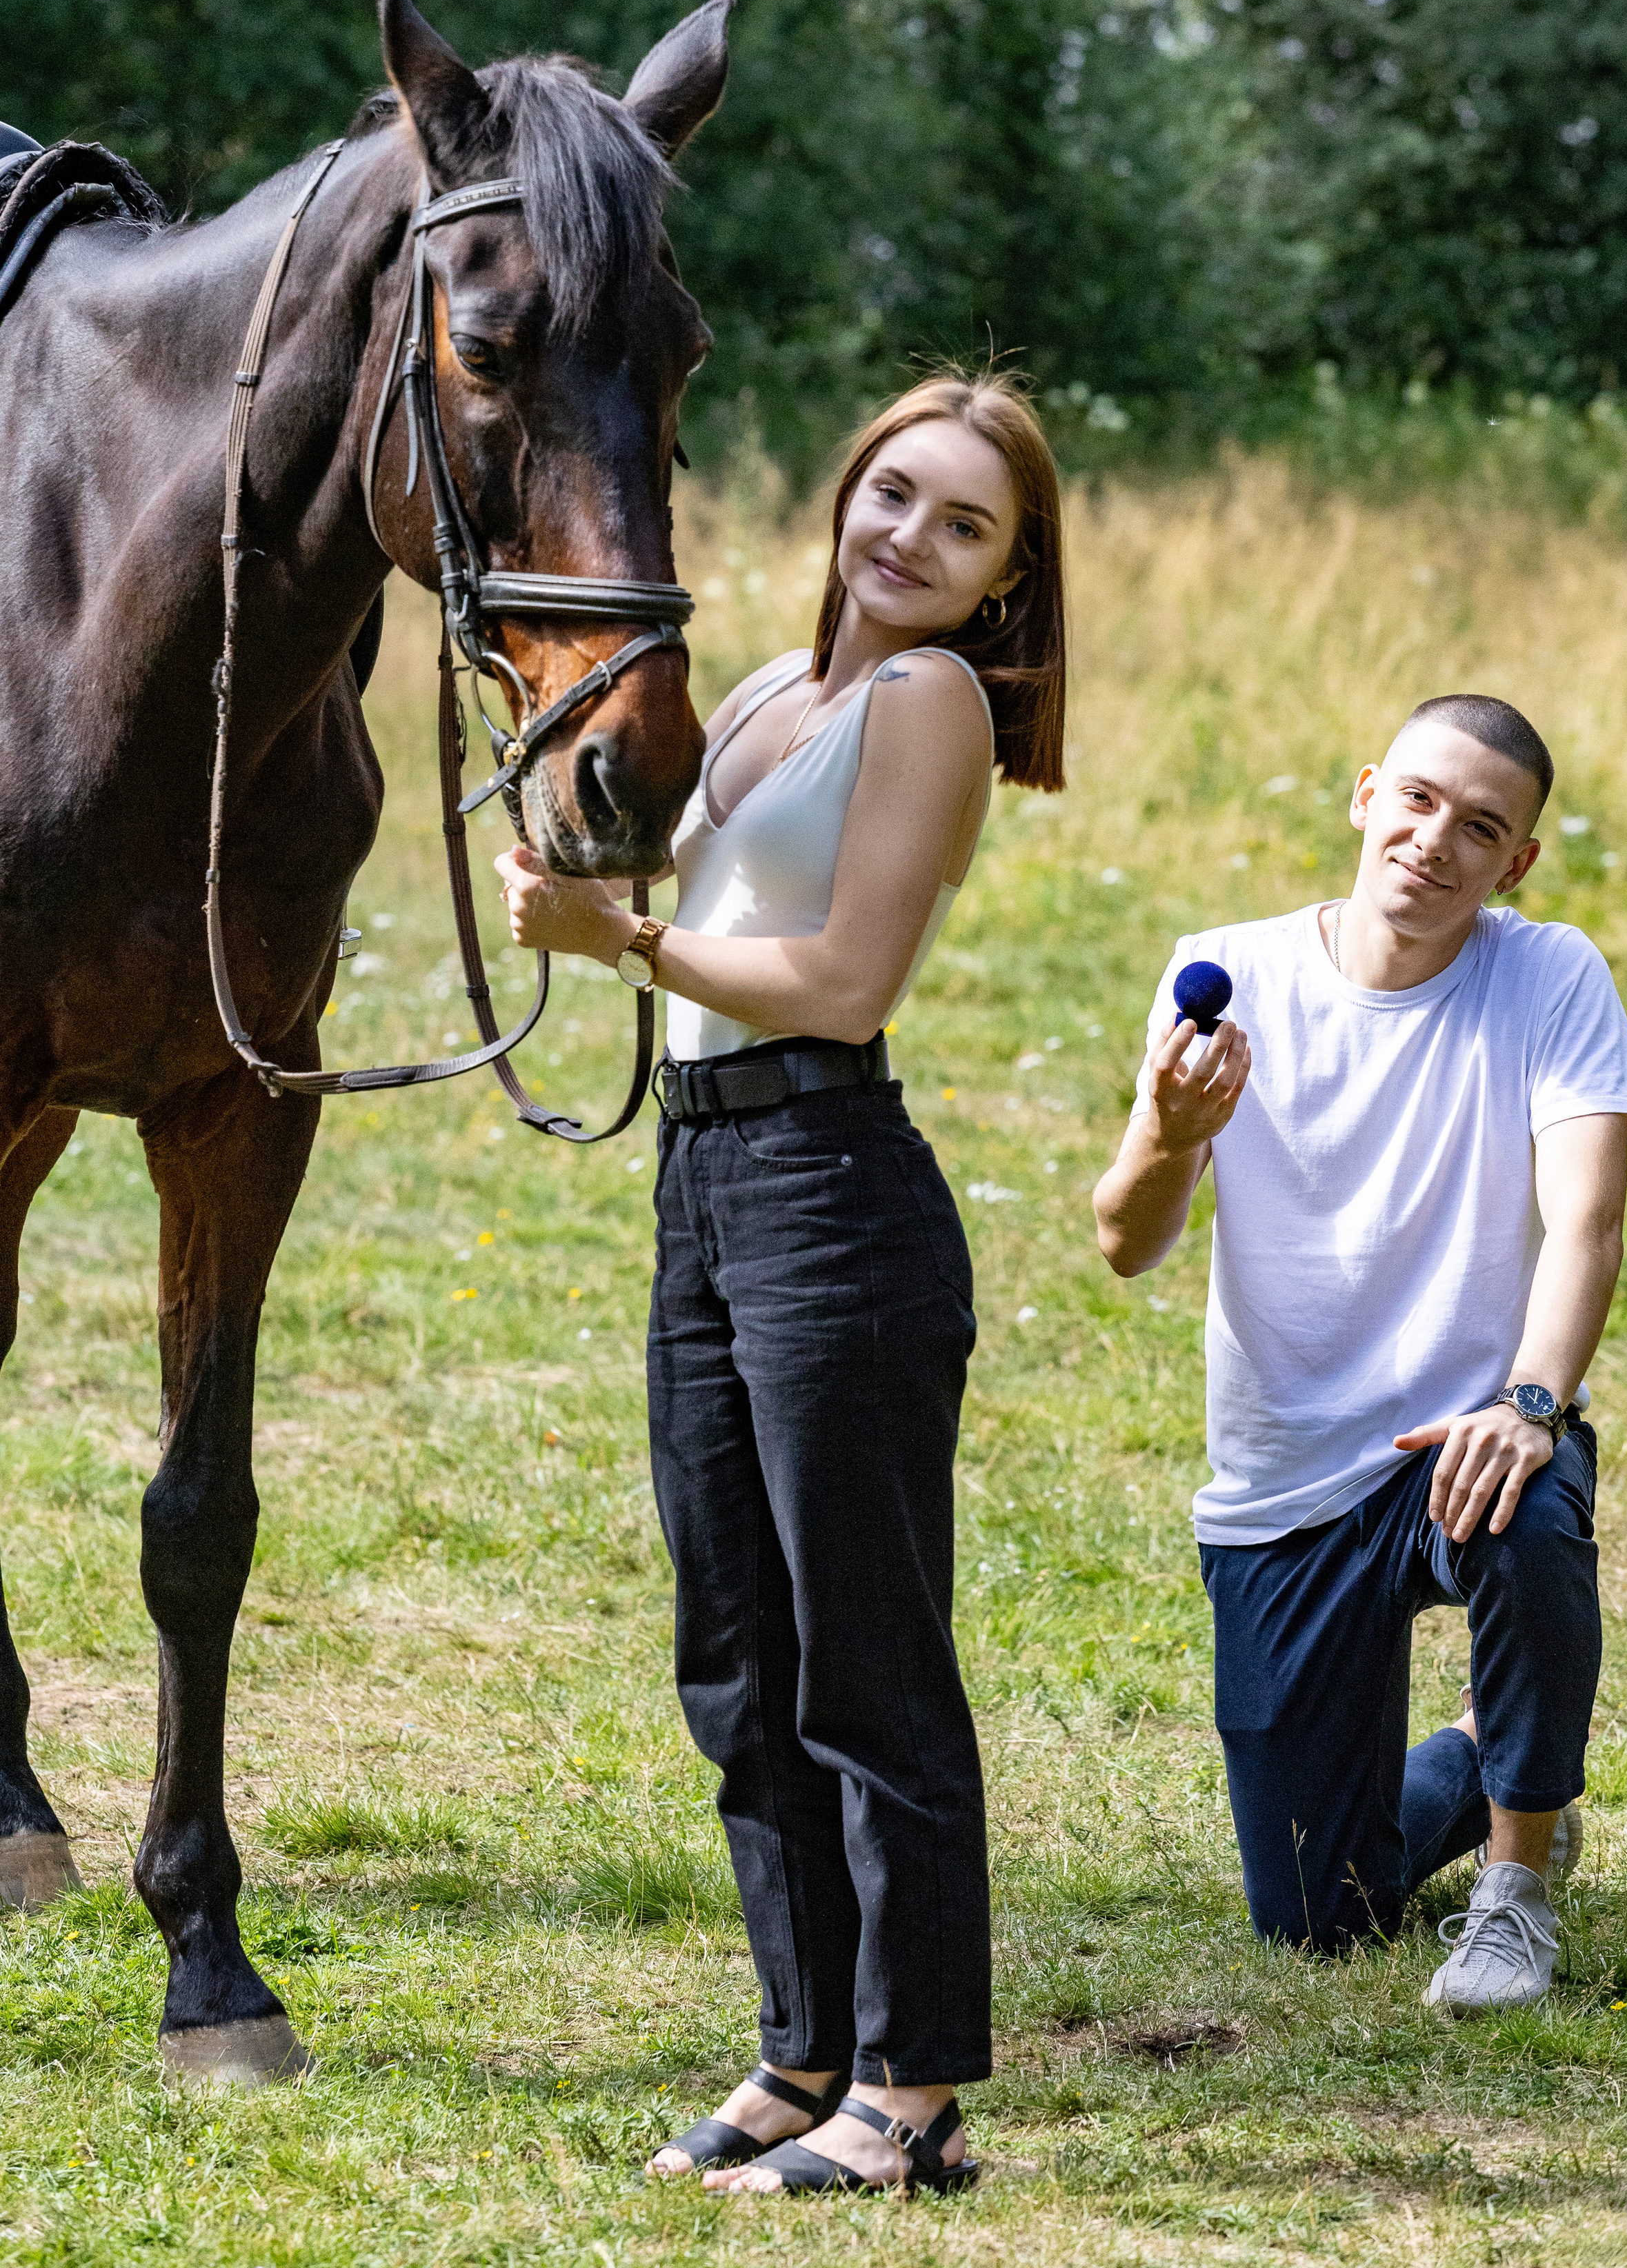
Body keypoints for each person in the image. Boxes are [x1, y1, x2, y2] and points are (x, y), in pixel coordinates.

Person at [497, 372, 1067, 2191]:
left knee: (866, 1659)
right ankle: (802, 2048)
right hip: (709, 1183)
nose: (909, 536)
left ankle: (912, 2096)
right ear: (846, 494)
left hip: (837, 1193)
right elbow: (681, 889)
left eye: (962, 525)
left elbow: (837, 980)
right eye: (894, 494)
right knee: (742, 1656)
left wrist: (634, 937)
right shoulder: (765, 691)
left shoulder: (930, 697)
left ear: (1002, 581)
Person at [1092, 695, 1627, 2010]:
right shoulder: (1226, 972)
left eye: (1480, 827)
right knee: (1315, 1916)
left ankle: (1517, 1893)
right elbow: (1125, 1242)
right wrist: (1173, 1133)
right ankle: (1493, 1757)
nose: (1434, 841)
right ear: (1364, 794)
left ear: (1514, 862)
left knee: (1526, 1511)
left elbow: (1588, 1220)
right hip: (1283, 1481)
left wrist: (1530, 1402)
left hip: (1463, 1435)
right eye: (1416, 800)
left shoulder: (1549, 972)